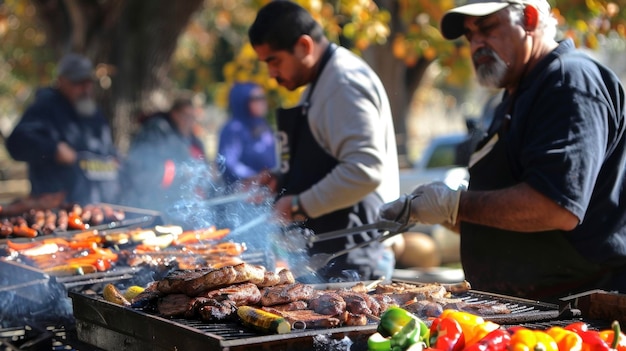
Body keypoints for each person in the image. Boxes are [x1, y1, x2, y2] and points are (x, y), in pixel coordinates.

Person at [380, 0, 626, 301]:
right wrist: (432, 210)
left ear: (530, 19)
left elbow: (556, 207)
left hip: (581, 309)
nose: (476, 44)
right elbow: (507, 217)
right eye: (470, 36)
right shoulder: (513, 97)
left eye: (487, 28)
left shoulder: (568, 82)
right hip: (524, 306)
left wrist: (455, 205)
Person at [247, 0, 400, 282]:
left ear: (304, 46)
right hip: (332, 255)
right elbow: (327, 161)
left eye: (274, 61)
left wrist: (297, 205)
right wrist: (281, 179)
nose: (271, 73)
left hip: (355, 255)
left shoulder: (343, 83)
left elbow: (365, 169)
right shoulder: (319, 84)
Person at [5, 53, 120, 206]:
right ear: (61, 81)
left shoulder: (94, 112)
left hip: (99, 206)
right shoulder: (45, 107)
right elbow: (17, 141)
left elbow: (105, 148)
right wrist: (54, 149)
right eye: (78, 83)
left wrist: (114, 158)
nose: (85, 88)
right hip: (58, 207)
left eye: (88, 82)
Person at [119, 96, 210, 222]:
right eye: (185, 116)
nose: (189, 121)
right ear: (174, 114)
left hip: (184, 207)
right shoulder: (157, 129)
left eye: (192, 117)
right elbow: (145, 168)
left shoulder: (193, 139)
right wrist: (180, 172)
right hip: (154, 205)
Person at [217, 82, 277, 185]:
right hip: (245, 194)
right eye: (257, 98)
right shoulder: (234, 128)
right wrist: (253, 176)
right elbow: (227, 163)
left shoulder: (262, 124)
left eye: (264, 97)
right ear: (242, 101)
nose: (263, 102)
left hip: (267, 188)